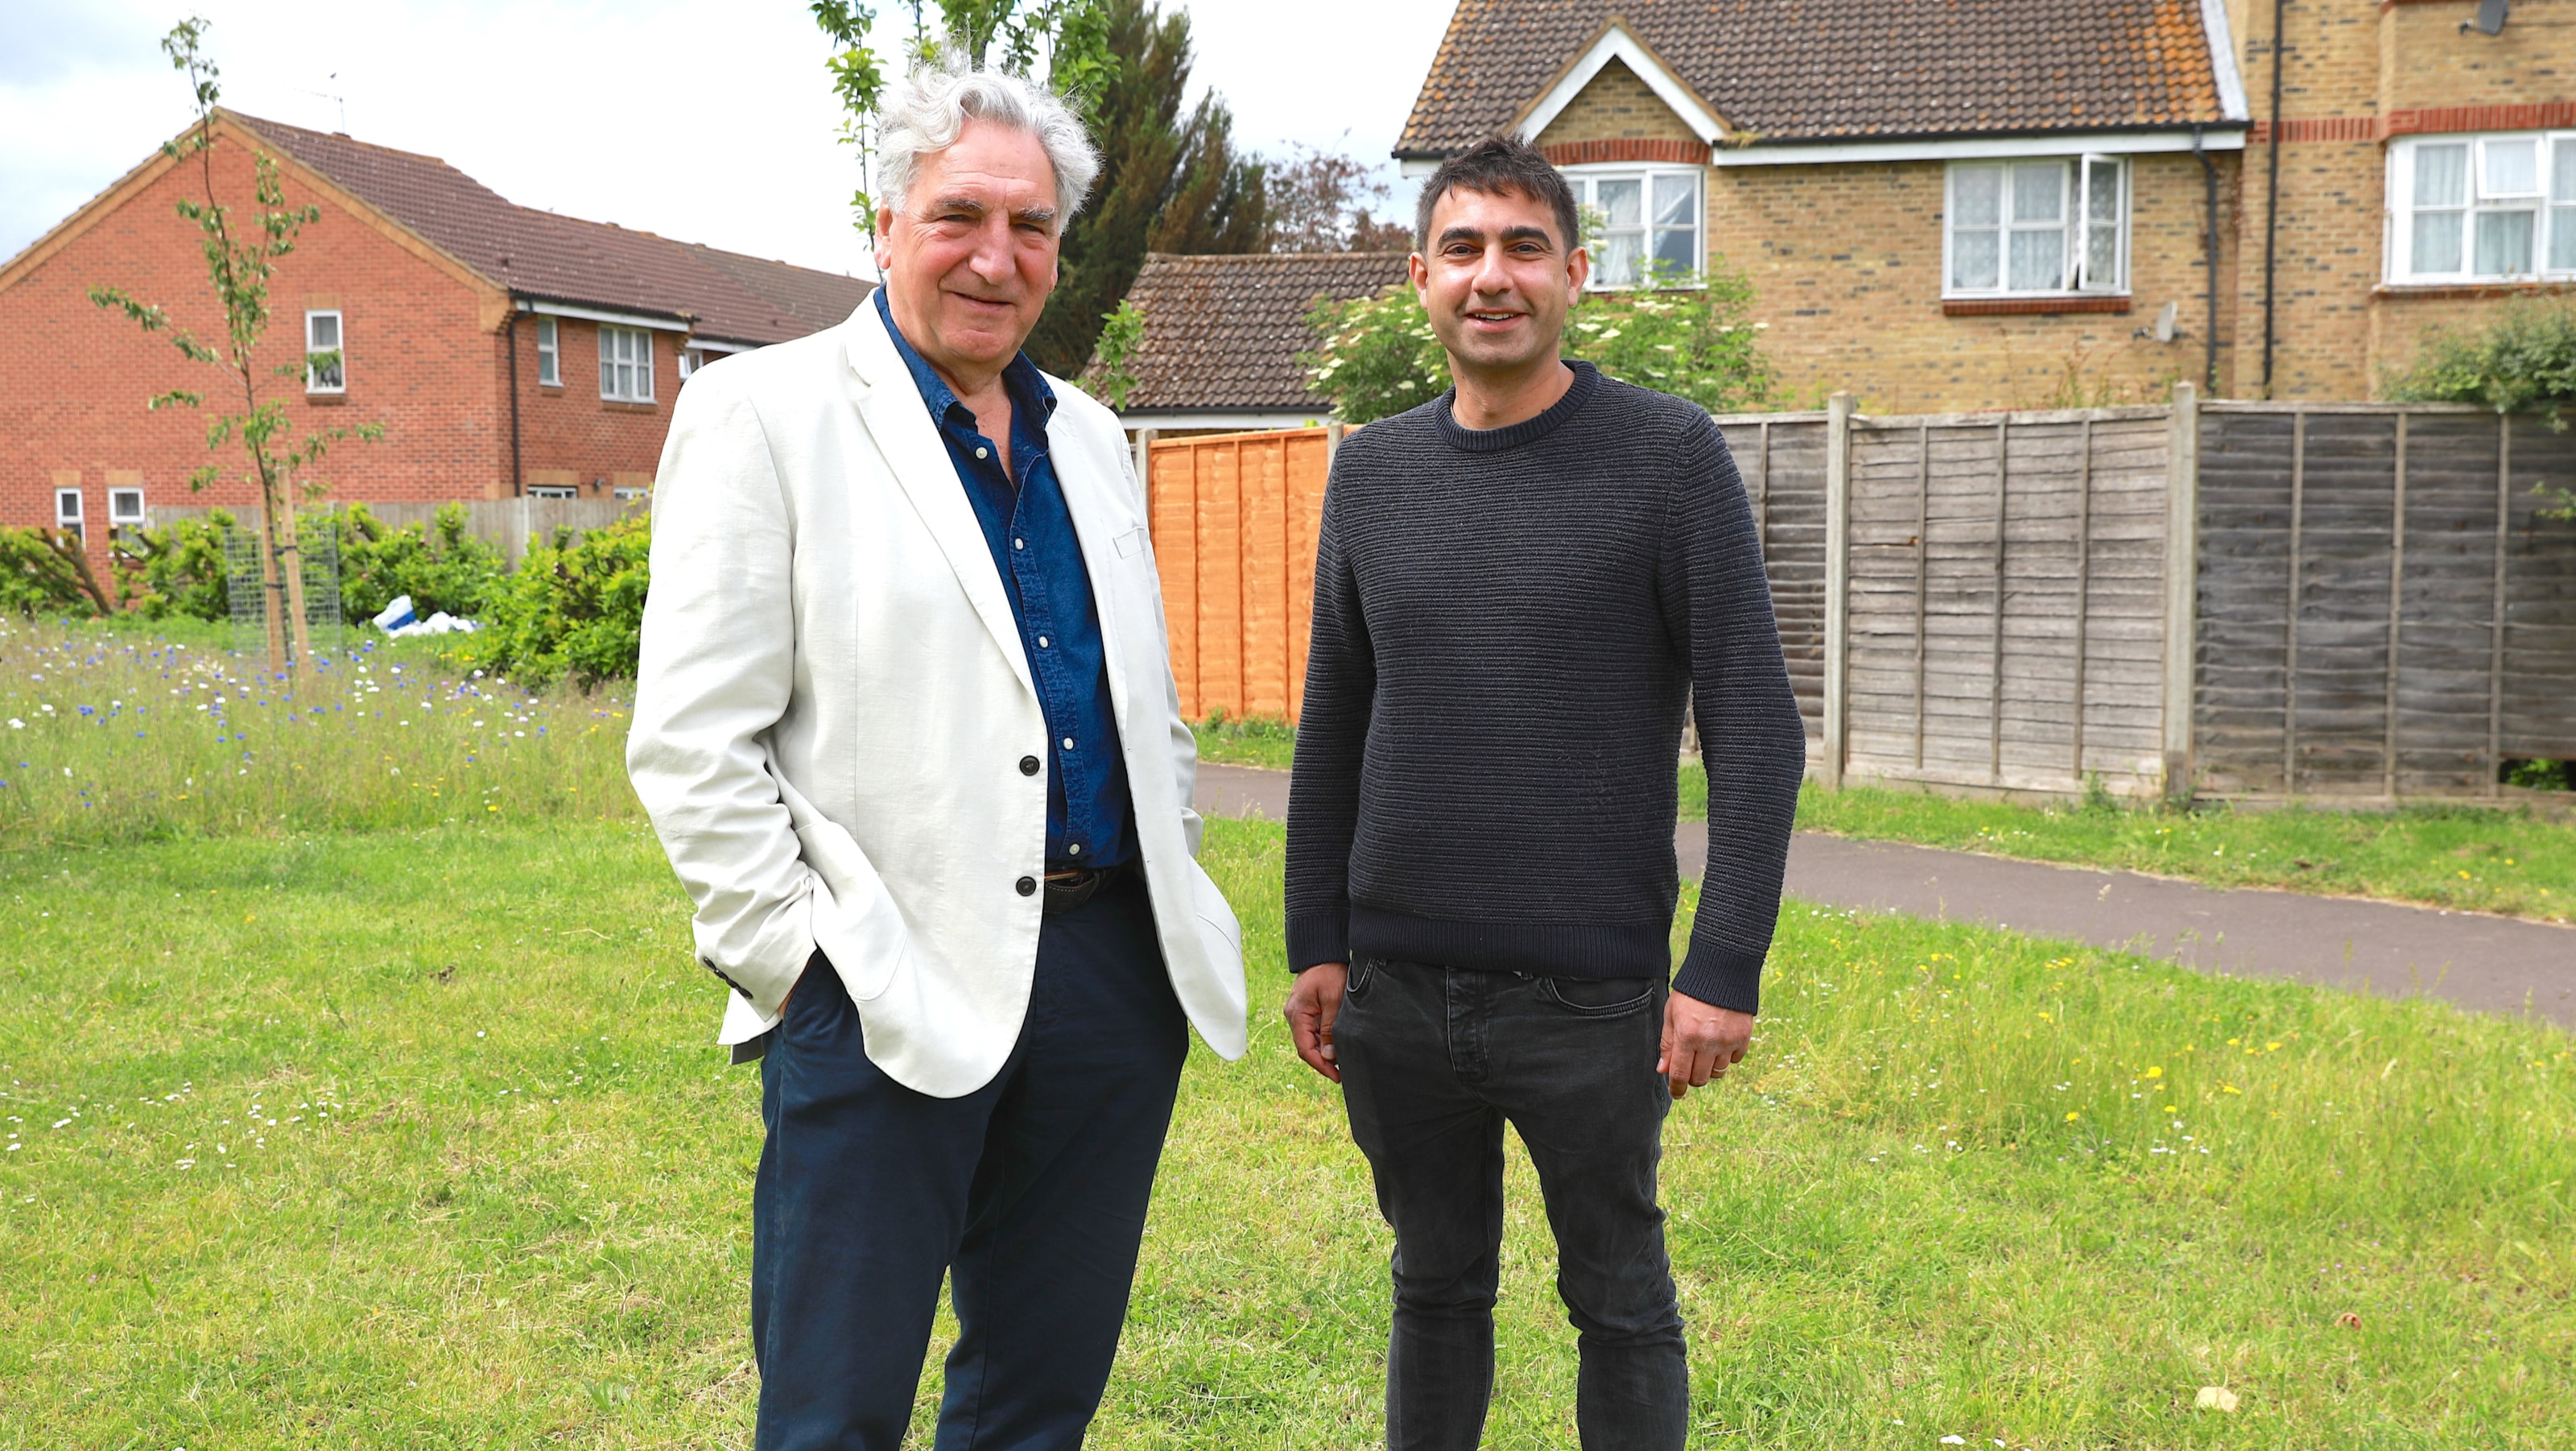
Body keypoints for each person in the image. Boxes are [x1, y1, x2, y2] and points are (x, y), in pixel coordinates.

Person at [626, 62, 1248, 1451]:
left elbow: (1145, 705)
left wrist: (1170, 859)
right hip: (877, 975)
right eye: (961, 213)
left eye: (1031, 227)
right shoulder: (764, 417)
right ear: (888, 217)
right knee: (835, 1409)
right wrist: (798, 964)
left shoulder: (1090, 435)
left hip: (1105, 985)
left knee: (1039, 1397)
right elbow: (690, 738)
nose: (995, 255)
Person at [1280, 134, 1806, 1450]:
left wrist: (1725, 964)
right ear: (1420, 278)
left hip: (1593, 997)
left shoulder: (1667, 458)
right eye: (1463, 248)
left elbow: (1757, 725)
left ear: (1576, 272)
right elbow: (1335, 718)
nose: (1492, 278)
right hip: (1397, 990)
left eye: (1524, 248)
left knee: (1619, 1297)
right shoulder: (1372, 472)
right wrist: (1316, 942)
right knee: (1432, 1284)